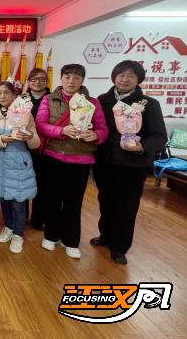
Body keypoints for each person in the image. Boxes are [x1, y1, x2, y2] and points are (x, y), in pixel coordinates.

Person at [92, 61, 167, 265]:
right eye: (121, 75)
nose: (125, 79)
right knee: (106, 201)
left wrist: (141, 147)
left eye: (131, 76)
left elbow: (160, 137)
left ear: (139, 79)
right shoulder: (102, 100)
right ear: (114, 77)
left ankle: (120, 246)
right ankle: (106, 235)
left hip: (133, 165)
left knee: (127, 207)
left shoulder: (148, 104)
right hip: (105, 163)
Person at [35, 64, 108, 259]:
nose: (71, 81)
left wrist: (94, 135)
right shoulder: (49, 99)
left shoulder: (92, 102)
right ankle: (50, 236)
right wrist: (61, 131)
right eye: (67, 76)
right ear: (61, 78)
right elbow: (40, 124)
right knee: (52, 200)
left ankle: (71, 240)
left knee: (73, 202)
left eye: (76, 77)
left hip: (80, 159)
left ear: (82, 80)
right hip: (53, 156)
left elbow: (103, 129)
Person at [0, 81, 40, 254]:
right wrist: (0, 139)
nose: (2, 96)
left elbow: (36, 143)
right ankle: (9, 227)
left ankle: (18, 234)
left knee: (18, 202)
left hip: (17, 163)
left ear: (13, 95)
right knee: (3, 199)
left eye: (6, 93)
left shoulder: (24, 113)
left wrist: (29, 136)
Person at [24, 68, 51, 231]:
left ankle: (39, 217)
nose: (37, 81)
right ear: (29, 81)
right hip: (25, 147)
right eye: (33, 79)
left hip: (47, 147)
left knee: (43, 184)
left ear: (47, 81)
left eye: (41, 79)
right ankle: (22, 214)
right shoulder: (21, 99)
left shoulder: (53, 99)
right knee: (23, 181)